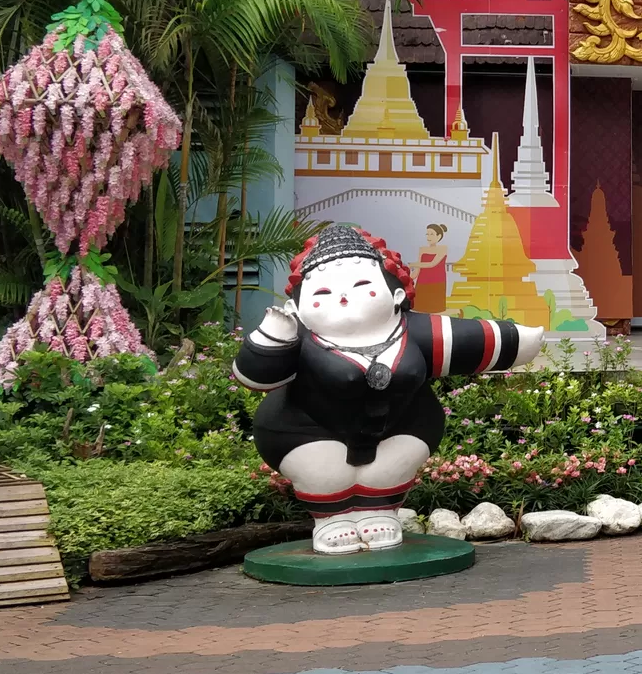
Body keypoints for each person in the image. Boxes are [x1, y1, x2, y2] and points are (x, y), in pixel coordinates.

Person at [233, 227, 544, 555]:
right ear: (298, 307)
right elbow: (254, 377)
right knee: (324, 471)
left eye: (361, 285)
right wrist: (273, 336)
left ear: (396, 295)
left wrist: (518, 340)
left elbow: (469, 339)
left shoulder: (413, 331)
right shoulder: (298, 338)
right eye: (322, 292)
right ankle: (330, 519)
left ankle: (380, 511)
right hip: (304, 430)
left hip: (403, 426)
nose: (342, 296)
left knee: (391, 465)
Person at [411, 223, 449, 313]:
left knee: (435, 310)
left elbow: (432, 264)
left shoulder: (443, 249)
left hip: (437, 282)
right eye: (427, 234)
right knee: (418, 309)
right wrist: (408, 277)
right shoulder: (422, 249)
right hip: (422, 282)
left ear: (439, 236)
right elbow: (417, 270)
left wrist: (413, 264)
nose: (429, 237)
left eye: (431, 234)